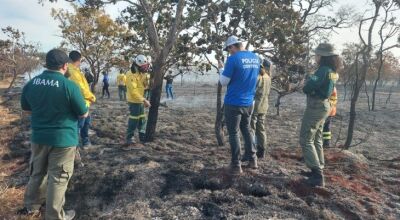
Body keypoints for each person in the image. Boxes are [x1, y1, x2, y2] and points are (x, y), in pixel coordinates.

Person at [18, 49, 88, 220]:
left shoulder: (32, 83)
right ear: (65, 65)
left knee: (37, 173)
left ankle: (31, 207)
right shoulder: (69, 86)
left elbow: (26, 109)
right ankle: (54, 216)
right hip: (63, 140)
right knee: (58, 178)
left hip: (39, 137)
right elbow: (83, 113)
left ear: (46, 64)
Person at [218, 36, 260, 175]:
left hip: (234, 102)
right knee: (247, 129)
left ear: (232, 47)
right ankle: (253, 159)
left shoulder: (233, 59)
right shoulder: (255, 58)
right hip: (249, 102)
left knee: (233, 132)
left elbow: (223, 82)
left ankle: (236, 165)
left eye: (229, 49)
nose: (229, 52)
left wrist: (220, 69)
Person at [300, 43, 340, 187]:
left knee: (305, 138)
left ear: (323, 56)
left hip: (316, 106)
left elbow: (307, 88)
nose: (315, 57)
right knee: (317, 137)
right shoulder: (332, 71)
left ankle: (317, 174)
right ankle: (318, 167)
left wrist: (307, 84)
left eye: (317, 54)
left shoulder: (322, 70)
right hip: (325, 106)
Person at [68, 51, 96, 147]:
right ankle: (73, 146)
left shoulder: (76, 70)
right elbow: (80, 88)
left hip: (84, 102)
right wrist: (91, 97)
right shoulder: (72, 71)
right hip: (80, 102)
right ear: (78, 60)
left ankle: (85, 140)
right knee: (79, 124)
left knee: (86, 122)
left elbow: (84, 84)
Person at [125, 55, 151, 146]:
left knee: (142, 118)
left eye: (146, 66)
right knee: (134, 119)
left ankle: (142, 135)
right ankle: (129, 137)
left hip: (141, 100)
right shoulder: (130, 74)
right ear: (138, 65)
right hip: (134, 100)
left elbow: (145, 85)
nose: (146, 68)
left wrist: (148, 79)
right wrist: (144, 100)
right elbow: (133, 91)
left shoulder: (142, 73)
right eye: (144, 67)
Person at [249, 58, 272, 159]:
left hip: (255, 106)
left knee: (252, 129)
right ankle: (262, 150)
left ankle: (252, 150)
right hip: (264, 106)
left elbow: (252, 91)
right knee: (261, 129)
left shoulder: (257, 77)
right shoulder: (268, 77)